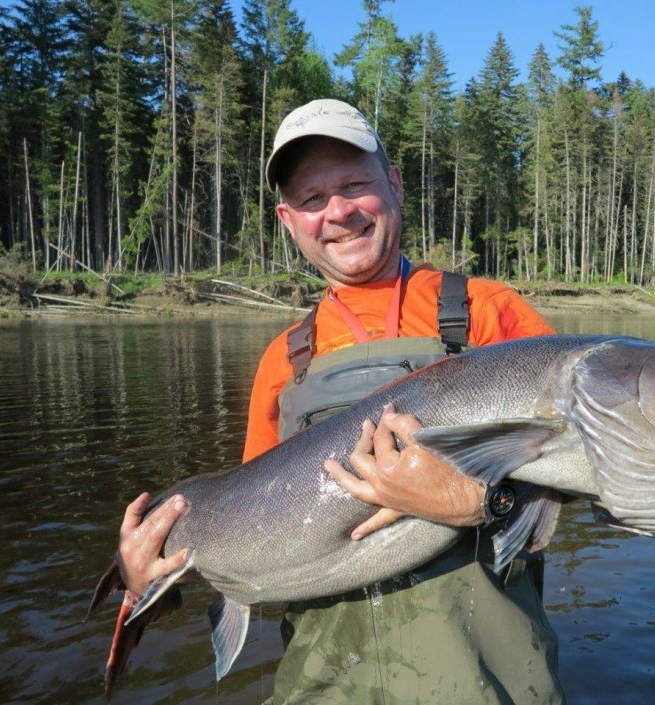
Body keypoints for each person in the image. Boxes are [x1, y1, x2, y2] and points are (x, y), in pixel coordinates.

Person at [116, 98, 565, 704]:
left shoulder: (488, 312)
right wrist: (148, 579)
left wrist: (483, 501)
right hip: (322, 684)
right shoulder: (285, 359)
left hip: (488, 684)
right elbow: (255, 531)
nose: (338, 212)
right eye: (312, 198)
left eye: (355, 185)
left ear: (394, 184)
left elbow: (579, 476)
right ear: (288, 219)